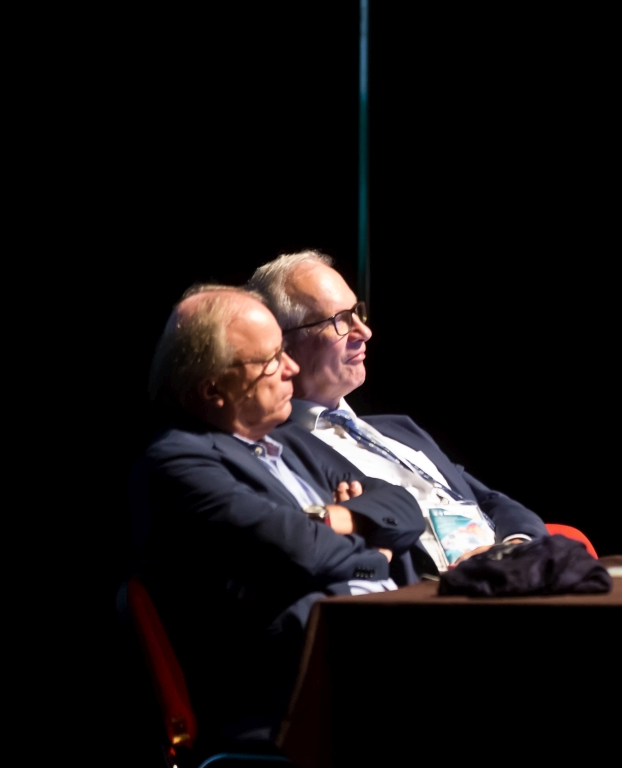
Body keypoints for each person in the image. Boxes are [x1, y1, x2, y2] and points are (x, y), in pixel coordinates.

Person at [131, 285, 424, 735]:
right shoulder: (178, 464)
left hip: (369, 651)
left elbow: (404, 507)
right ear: (213, 389)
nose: (291, 368)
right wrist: (376, 554)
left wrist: (335, 519)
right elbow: (302, 552)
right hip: (301, 691)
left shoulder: (288, 443)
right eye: (271, 360)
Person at [247, 251, 546, 578]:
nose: (364, 331)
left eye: (357, 313)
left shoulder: (398, 428)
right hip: (430, 591)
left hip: (509, 578)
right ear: (283, 344)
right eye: (340, 321)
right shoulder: (276, 450)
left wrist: (514, 546)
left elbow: (490, 501)